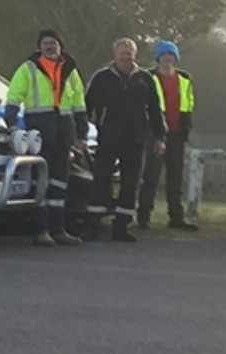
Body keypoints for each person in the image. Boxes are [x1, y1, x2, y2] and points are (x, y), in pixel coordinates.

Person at [4, 29, 90, 247]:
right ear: (39, 47)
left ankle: (58, 229)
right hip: (40, 130)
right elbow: (14, 96)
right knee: (40, 179)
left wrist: (81, 133)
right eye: (46, 43)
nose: (50, 47)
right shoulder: (28, 68)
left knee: (60, 180)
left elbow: (79, 102)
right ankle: (40, 230)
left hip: (64, 130)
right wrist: (11, 122)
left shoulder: (70, 70)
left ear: (60, 46)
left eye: (53, 43)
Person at [83, 37, 166, 243]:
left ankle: (121, 226)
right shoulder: (102, 77)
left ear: (134, 54)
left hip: (135, 139)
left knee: (130, 182)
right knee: (101, 179)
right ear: (115, 54)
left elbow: (155, 109)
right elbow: (87, 106)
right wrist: (81, 132)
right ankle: (93, 224)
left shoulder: (145, 79)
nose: (125, 56)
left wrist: (160, 137)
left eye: (129, 53)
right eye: (122, 53)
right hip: (108, 137)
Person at [140, 40, 198, 231]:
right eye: (164, 54)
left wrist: (186, 129)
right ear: (158, 58)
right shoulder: (148, 77)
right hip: (155, 134)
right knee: (151, 177)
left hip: (177, 134)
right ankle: (143, 217)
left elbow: (188, 105)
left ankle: (176, 218)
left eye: (171, 54)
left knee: (175, 179)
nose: (168, 58)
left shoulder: (184, 79)